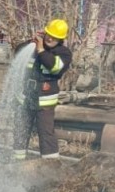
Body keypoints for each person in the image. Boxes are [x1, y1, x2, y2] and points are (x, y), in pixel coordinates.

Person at [13, 18, 72, 161]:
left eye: (55, 37)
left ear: (61, 39)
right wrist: (30, 41)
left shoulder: (63, 53)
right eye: (49, 34)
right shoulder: (35, 46)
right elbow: (18, 53)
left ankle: (50, 165)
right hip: (26, 98)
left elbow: (54, 66)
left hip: (44, 101)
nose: (50, 38)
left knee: (46, 133)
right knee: (21, 130)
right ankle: (18, 163)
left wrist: (40, 50)